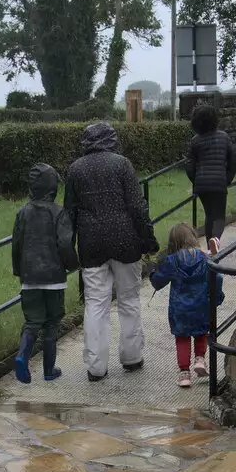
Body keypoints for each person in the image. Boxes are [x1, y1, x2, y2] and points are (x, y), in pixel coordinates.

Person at [63, 121, 158, 382]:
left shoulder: (75, 170)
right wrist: (148, 239)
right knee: (129, 299)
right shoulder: (122, 164)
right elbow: (137, 207)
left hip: (91, 243)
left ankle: (95, 367)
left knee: (96, 303)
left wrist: (67, 250)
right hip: (126, 239)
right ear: (111, 139)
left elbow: (68, 214)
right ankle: (131, 357)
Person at [9, 162, 79, 383]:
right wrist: (73, 264)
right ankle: (49, 370)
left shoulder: (22, 213)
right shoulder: (59, 213)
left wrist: (19, 270)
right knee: (51, 323)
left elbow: (16, 244)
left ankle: (22, 356)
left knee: (32, 321)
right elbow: (65, 244)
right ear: (53, 187)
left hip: (29, 277)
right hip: (54, 278)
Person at [150, 222, 225, 388]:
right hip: (201, 305)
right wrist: (216, 297)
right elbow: (218, 278)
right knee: (201, 333)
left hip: (180, 308)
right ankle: (200, 359)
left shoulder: (172, 261)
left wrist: (153, 270)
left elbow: (157, 282)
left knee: (182, 338)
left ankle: (184, 374)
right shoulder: (204, 258)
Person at [185, 103, 236, 252]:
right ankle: (215, 240)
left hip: (202, 184)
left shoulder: (195, 141)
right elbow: (234, 160)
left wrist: (196, 181)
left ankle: (210, 248)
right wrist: (227, 178)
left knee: (209, 215)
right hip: (219, 182)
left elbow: (189, 165)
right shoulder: (223, 137)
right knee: (219, 216)